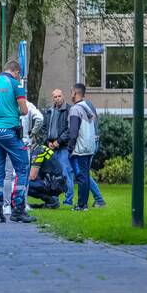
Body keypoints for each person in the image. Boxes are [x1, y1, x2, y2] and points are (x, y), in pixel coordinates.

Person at [0, 60, 36, 223]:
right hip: (8, 132)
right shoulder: (15, 84)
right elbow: (25, 110)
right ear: (16, 72)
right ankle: (18, 209)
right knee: (22, 168)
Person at [46, 88, 106, 208]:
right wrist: (48, 141)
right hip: (58, 147)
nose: (57, 98)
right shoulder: (49, 111)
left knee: (74, 173)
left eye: (59, 96)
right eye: (55, 97)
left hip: (68, 147)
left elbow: (71, 131)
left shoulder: (72, 109)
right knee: (78, 174)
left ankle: (74, 201)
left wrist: (64, 144)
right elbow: (45, 128)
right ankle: (63, 200)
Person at [66, 83, 99, 211]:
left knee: (81, 177)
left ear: (75, 93)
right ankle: (84, 204)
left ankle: (81, 204)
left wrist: (70, 148)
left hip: (80, 149)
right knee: (85, 175)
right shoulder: (87, 108)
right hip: (89, 147)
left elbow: (73, 132)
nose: (71, 95)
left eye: (71, 92)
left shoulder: (75, 109)